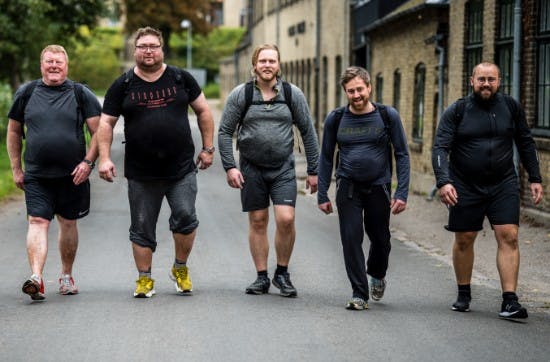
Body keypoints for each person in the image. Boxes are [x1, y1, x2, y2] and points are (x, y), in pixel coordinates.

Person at [97, 26, 215, 298]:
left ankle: (180, 268)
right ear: (135, 51)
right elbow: (105, 123)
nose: (148, 51)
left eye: (153, 46)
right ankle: (144, 279)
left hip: (181, 169)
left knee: (186, 217)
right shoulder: (123, 85)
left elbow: (204, 111)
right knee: (141, 227)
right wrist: (103, 158)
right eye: (142, 47)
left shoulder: (180, 78)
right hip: (141, 173)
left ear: (162, 49)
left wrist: (208, 148)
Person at [432, 62, 543, 319]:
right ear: (472, 80)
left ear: (499, 81)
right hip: (464, 185)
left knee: (509, 236)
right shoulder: (458, 110)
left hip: (503, 183)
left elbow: (525, 142)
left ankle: (510, 301)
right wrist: (443, 181)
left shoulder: (511, 107)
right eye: (481, 79)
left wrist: (535, 177)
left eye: (491, 79)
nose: (486, 84)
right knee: (465, 238)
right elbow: (440, 147)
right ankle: (463, 292)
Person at [218, 44, 319, 297]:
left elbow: (308, 131)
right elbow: (224, 132)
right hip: (251, 168)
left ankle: (282, 273)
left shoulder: (292, 93)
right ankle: (261, 277)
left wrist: (314, 170)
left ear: (279, 65)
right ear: (254, 65)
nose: (267, 65)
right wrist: (230, 166)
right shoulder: (242, 95)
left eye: (272, 61)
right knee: (258, 220)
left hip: (283, 168)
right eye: (262, 61)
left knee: (286, 218)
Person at [6, 44, 101, 301]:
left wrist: (88, 163)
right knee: (37, 221)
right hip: (37, 175)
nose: (54, 66)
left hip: (73, 175)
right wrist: (16, 168)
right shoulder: (26, 93)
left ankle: (66, 275)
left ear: (66, 66)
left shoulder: (81, 94)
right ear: (41, 65)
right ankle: (36, 277)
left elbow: (99, 133)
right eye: (49, 61)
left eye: (59, 62)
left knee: (68, 222)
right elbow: (14, 132)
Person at [317, 66, 410, 310]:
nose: (356, 95)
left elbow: (402, 154)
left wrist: (401, 192)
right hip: (348, 187)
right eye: (351, 91)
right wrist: (322, 192)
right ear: (345, 92)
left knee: (381, 239)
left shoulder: (387, 116)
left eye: (360, 89)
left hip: (379, 187)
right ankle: (359, 293)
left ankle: (377, 274)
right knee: (351, 239)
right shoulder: (336, 118)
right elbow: (326, 157)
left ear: (369, 87)